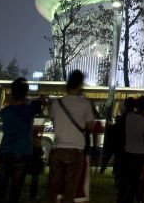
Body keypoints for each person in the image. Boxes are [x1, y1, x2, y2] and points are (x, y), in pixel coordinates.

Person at [46, 70, 95, 203]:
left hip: (57, 150)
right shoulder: (85, 104)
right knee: (70, 190)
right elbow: (90, 127)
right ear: (80, 85)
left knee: (53, 189)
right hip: (75, 152)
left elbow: (53, 119)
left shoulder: (57, 103)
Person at [0, 78, 43, 203]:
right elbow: (38, 106)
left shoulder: (5, 112)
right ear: (25, 93)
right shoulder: (29, 110)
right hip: (22, 153)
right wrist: (40, 99)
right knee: (15, 192)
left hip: (5, 152)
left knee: (0, 190)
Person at [119, 95, 144, 203]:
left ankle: (122, 199)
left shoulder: (128, 117)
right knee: (136, 180)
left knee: (125, 180)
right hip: (140, 154)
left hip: (127, 152)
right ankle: (133, 199)